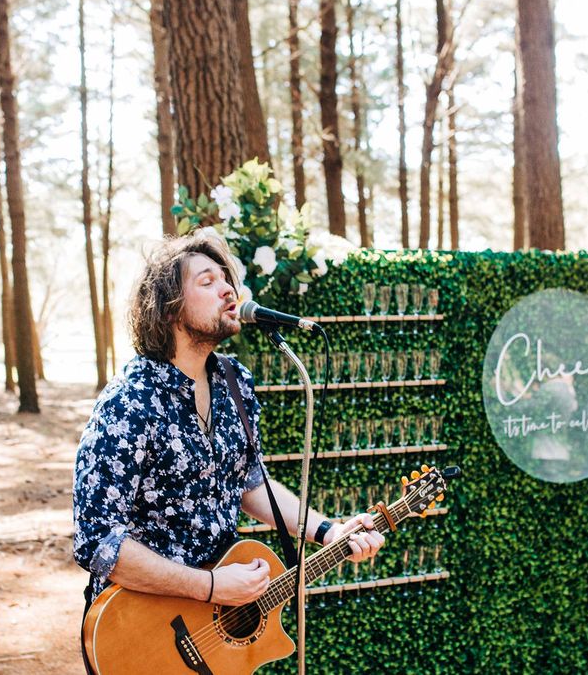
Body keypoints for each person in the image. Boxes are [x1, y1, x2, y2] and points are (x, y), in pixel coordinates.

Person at [72, 231, 384, 612]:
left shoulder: (234, 382)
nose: (227, 290)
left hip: (218, 623)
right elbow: (99, 541)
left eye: (225, 279)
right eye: (207, 281)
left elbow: (250, 484)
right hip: (143, 627)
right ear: (168, 309)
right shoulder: (129, 401)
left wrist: (329, 531)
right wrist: (209, 585)